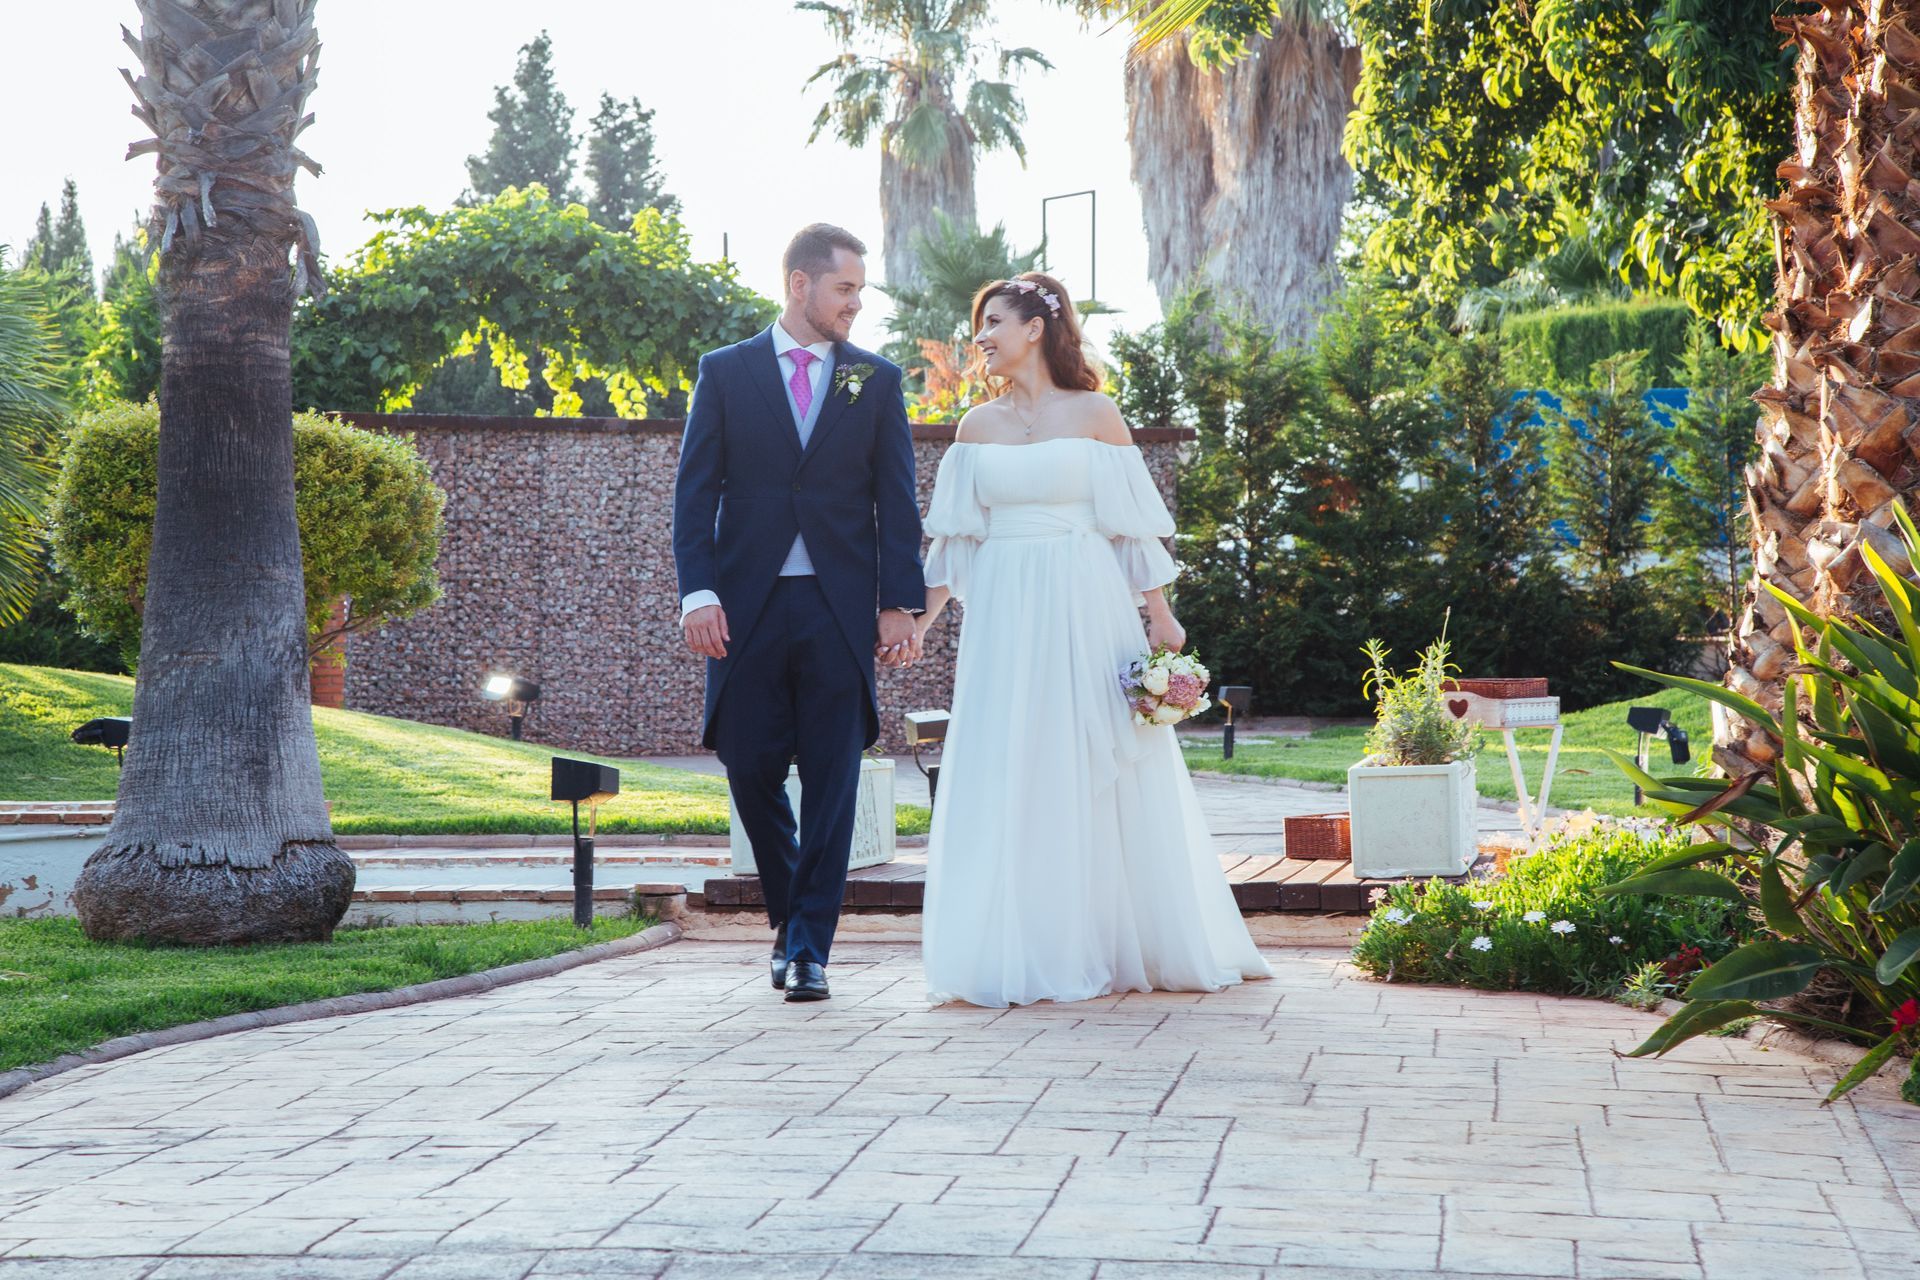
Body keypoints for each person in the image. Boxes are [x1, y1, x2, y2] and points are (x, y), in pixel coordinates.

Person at [916, 272, 1270, 1008]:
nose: (980, 339)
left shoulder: (1097, 412)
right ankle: (1027, 942)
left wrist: (1160, 616)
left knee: (1093, 754)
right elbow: (955, 546)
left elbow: (1130, 525)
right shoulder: (974, 429)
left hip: (1084, 600)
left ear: (1035, 329)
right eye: (979, 327)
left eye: (992, 323)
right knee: (1014, 757)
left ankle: (1118, 938)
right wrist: (919, 622)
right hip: (1006, 615)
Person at [673, 223, 925, 1003]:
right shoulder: (725, 372)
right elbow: (695, 492)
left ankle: (811, 948)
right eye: (845, 288)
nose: (855, 304)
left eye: (859, 291)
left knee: (833, 779)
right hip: (744, 609)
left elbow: (896, 502)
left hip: (839, 611)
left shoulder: (876, 382)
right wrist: (699, 591)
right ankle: (790, 921)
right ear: (800, 284)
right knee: (749, 768)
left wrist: (898, 604)